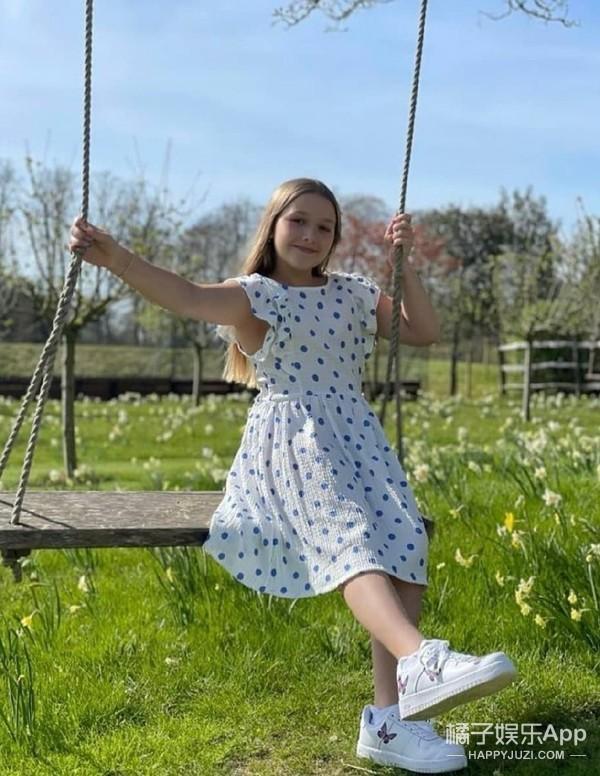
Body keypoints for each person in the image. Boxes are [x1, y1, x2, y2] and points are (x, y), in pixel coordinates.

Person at [69, 177, 516, 773]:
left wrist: (404, 266)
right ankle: (422, 660)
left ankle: (391, 722)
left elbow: (423, 331)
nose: (311, 235)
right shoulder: (258, 296)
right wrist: (116, 259)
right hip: (292, 444)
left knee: (405, 541)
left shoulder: (354, 293)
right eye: (298, 221)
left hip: (358, 440)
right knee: (351, 539)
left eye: (325, 227)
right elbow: (185, 296)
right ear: (273, 226)